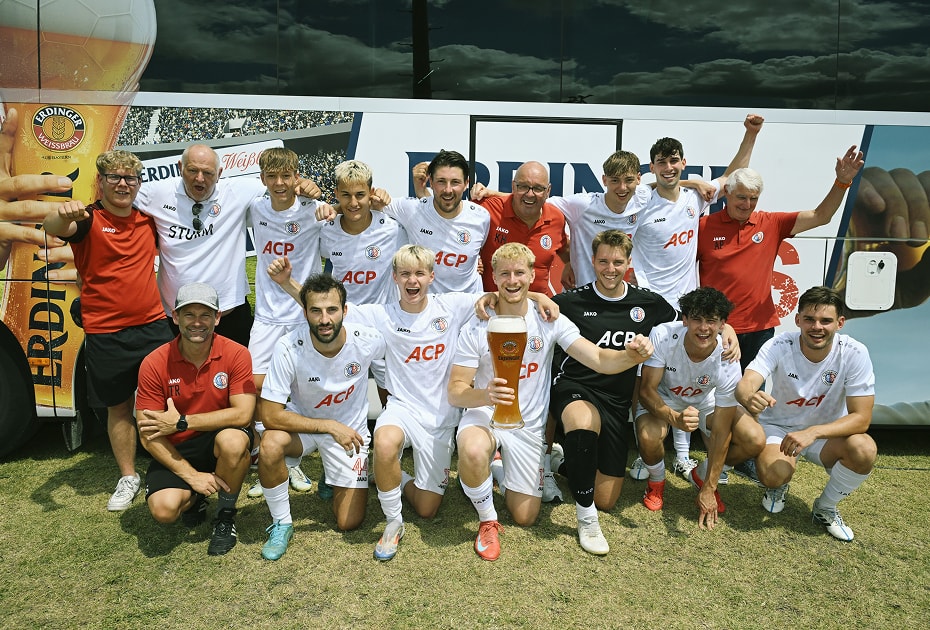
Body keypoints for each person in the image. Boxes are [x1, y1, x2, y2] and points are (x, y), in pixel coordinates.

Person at [267, 244, 557, 562]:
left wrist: (538, 297)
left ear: (432, 276)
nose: (412, 280)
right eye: (405, 273)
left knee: (427, 508)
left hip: (442, 418)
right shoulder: (381, 314)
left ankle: (396, 477)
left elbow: (507, 293)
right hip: (403, 408)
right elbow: (325, 310)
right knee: (385, 440)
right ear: (394, 277)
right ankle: (393, 523)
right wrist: (286, 284)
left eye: (419, 273)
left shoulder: (454, 305)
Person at [448, 243, 653, 561]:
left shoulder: (548, 318)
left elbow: (598, 358)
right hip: (486, 414)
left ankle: (497, 470)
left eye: (519, 272)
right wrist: (484, 395)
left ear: (532, 275)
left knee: (526, 515)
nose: (512, 280)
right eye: (504, 273)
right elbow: (456, 390)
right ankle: (487, 519)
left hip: (527, 427)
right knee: (473, 449)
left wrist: (630, 355)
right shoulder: (477, 324)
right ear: (494, 276)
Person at [629, 114, 763, 480]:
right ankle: (646, 451)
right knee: (646, 378)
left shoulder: (695, 199)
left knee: (692, 372)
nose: (669, 167)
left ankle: (685, 454)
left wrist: (750, 133)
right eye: (662, 162)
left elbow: (735, 174)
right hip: (651, 305)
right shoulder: (640, 202)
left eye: (675, 161)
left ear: (683, 162)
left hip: (688, 307)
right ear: (652, 166)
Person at [42, 149, 174, 512]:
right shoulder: (87, 219)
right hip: (107, 333)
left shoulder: (148, 221)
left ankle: (169, 467)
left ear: (138, 184)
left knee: (164, 403)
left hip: (152, 327)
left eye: (129, 178)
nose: (122, 184)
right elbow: (54, 228)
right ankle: (129, 476)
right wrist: (59, 213)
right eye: (114, 177)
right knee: (119, 408)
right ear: (100, 182)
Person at [548, 230, 678, 553]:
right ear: (592, 261)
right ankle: (586, 520)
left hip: (617, 404)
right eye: (603, 261)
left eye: (618, 262)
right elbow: (532, 305)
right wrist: (537, 297)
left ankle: (563, 463)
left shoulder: (647, 304)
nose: (610, 268)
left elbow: (685, 320)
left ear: (629, 263)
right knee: (581, 421)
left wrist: (727, 329)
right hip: (576, 388)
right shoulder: (571, 302)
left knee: (607, 498)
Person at [697, 146, 866, 370]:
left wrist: (842, 183)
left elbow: (821, 216)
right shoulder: (702, 226)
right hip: (714, 326)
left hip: (760, 329)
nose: (747, 205)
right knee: (712, 396)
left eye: (753, 199)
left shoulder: (772, 223)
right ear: (726, 191)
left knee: (751, 396)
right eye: (741, 197)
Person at [135, 143, 320, 347]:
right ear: (180, 167)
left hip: (229, 315)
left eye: (207, 172)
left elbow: (280, 185)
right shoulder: (157, 192)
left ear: (220, 173)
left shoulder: (240, 191)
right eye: (192, 170)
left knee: (240, 377)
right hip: (176, 317)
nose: (199, 178)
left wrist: (302, 184)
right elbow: (118, 194)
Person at [256, 274, 385, 560]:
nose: (324, 319)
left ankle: (331, 474)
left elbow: (396, 370)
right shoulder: (288, 346)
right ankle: (282, 523)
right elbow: (270, 414)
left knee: (348, 522)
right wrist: (327, 426)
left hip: (350, 433)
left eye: (332, 310)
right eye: (315, 311)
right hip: (306, 424)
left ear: (345, 311)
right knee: (270, 444)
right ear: (305, 313)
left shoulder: (369, 341)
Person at [735, 286, 876, 541]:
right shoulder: (779, 344)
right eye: (809, 319)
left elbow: (862, 418)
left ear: (840, 323)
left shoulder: (855, 352)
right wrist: (749, 396)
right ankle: (778, 487)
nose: (817, 327)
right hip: (779, 428)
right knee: (773, 474)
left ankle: (825, 507)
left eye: (826, 321)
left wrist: (813, 432)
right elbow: (746, 383)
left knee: (864, 449)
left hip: (824, 435)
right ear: (798, 319)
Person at [135, 283, 256, 556]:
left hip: (216, 439)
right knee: (164, 511)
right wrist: (192, 477)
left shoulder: (237, 353)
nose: (197, 323)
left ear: (218, 318)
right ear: (175, 317)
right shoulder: (154, 363)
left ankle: (225, 517)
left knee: (234, 441)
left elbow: (243, 414)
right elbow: (147, 434)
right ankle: (197, 495)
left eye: (205, 315)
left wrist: (182, 422)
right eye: (189, 315)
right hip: (177, 448)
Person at [635, 287, 765, 528]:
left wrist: (709, 487)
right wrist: (674, 418)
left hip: (706, 402)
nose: (703, 328)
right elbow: (646, 391)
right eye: (696, 319)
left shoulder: (728, 358)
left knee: (754, 439)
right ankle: (656, 482)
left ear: (722, 325)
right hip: (665, 398)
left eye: (711, 321)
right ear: (684, 319)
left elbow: (721, 432)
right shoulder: (663, 335)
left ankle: (702, 474)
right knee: (648, 435)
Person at [245, 147, 328, 498]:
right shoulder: (254, 207)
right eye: (272, 176)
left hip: (301, 313)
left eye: (286, 176)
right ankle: (272, 459)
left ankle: (302, 464)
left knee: (307, 388)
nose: (279, 183)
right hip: (265, 315)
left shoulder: (313, 212)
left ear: (297, 176)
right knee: (256, 385)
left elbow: (353, 215)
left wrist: (322, 195)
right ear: (263, 178)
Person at [381, 150, 488, 293]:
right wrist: (339, 209)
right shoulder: (413, 209)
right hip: (428, 308)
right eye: (441, 182)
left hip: (469, 309)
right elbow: (363, 203)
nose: (448, 190)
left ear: (466, 183)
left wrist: (475, 260)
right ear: (430, 182)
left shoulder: (481, 217)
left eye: (455, 182)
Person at [473, 161, 570, 297]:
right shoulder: (487, 209)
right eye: (523, 186)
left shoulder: (556, 218)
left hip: (538, 312)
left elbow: (568, 251)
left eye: (538, 188)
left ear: (548, 191)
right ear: (513, 186)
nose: (530, 194)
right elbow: (446, 217)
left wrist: (571, 265)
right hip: (493, 309)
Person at [321, 159, 407, 305]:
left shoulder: (392, 229)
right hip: (345, 319)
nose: (353, 203)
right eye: (346, 195)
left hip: (381, 321)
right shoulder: (327, 231)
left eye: (360, 194)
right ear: (336, 194)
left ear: (370, 193)